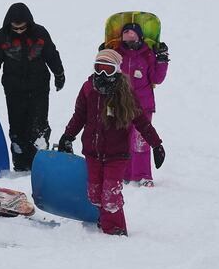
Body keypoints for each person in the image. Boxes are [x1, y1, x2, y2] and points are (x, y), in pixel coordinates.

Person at [57, 49, 166, 236]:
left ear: (116, 70)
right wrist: (68, 136)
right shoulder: (88, 88)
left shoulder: (125, 92)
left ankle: (115, 230)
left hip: (117, 154)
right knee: (95, 193)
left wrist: (156, 144)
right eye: (98, 69)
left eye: (107, 69)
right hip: (93, 152)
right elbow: (79, 116)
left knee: (110, 195)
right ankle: (105, 221)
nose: (102, 74)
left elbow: (141, 120)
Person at [0, 2, 65, 171]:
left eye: (22, 28)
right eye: (15, 28)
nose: (19, 31)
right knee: (17, 127)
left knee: (39, 126)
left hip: (39, 87)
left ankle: (39, 163)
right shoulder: (1, 37)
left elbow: (51, 54)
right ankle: (20, 164)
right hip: (14, 90)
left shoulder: (40, 33)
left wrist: (59, 74)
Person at [110, 23, 169, 187]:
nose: (128, 37)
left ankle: (143, 175)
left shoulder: (147, 54)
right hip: (120, 104)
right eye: (125, 34)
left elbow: (157, 78)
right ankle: (123, 174)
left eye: (132, 34)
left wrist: (162, 60)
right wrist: (103, 54)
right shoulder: (118, 53)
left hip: (143, 105)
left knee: (141, 141)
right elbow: (106, 71)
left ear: (140, 36)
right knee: (121, 140)